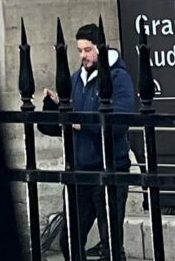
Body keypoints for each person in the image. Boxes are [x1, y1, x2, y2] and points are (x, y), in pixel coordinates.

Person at [39, 24, 135, 259]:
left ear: (100, 49)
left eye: (88, 50)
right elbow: (53, 128)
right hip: (80, 171)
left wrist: (82, 123)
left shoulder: (119, 78)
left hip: (110, 168)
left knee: (110, 244)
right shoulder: (74, 79)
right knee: (69, 241)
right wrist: (51, 107)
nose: (83, 55)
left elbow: (121, 120)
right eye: (80, 50)